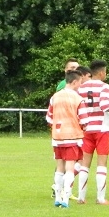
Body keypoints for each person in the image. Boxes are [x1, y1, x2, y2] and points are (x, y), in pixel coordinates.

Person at [76, 60, 109, 204]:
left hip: (86, 128)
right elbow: (105, 105)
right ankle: (100, 198)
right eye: (105, 72)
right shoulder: (104, 86)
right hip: (101, 128)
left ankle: (81, 197)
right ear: (101, 72)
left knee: (85, 164)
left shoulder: (82, 87)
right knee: (102, 163)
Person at [46, 68, 88, 207]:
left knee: (59, 167)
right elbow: (84, 121)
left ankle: (57, 197)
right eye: (80, 82)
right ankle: (66, 198)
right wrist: (81, 128)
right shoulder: (78, 98)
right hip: (72, 136)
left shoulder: (55, 97)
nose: (80, 85)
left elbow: (49, 118)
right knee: (70, 167)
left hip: (57, 137)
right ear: (75, 82)